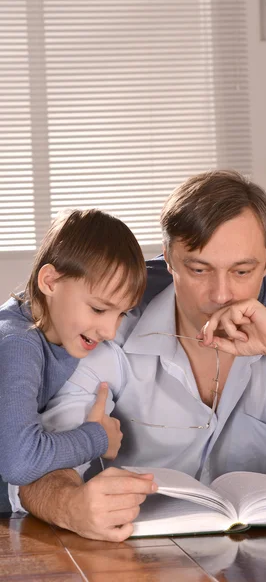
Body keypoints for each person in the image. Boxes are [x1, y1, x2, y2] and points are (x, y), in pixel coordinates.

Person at [15, 170, 266, 542]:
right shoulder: (108, 334)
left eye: (243, 271)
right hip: (136, 559)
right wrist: (71, 507)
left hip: (265, 559)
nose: (221, 294)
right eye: (198, 269)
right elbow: (37, 473)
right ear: (168, 260)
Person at [0, 208, 146, 485]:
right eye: (99, 309)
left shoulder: (60, 330)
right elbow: (19, 463)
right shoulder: (17, 343)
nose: (109, 331)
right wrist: (98, 437)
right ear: (50, 282)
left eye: (121, 314)